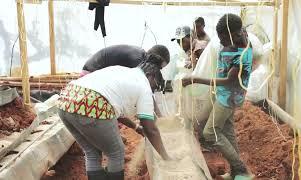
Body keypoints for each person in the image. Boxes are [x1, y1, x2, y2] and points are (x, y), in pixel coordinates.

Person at [57, 58, 171, 180]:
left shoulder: (122, 71)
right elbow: (151, 130)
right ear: (151, 76)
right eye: (154, 86)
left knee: (92, 152)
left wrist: (136, 127)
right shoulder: (144, 85)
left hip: (66, 99)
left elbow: (116, 109)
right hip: (91, 102)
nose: (152, 90)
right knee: (116, 152)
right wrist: (166, 157)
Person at [182, 13, 252, 178]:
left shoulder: (241, 55)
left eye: (224, 38)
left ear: (234, 34)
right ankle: (236, 173)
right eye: (219, 37)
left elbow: (228, 81)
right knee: (227, 131)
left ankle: (241, 169)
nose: (220, 41)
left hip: (228, 98)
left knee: (210, 132)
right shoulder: (236, 38)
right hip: (224, 95)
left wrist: (195, 79)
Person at [81, 44, 170, 76]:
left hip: (92, 71)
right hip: (90, 74)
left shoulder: (140, 54)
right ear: (156, 58)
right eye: (159, 67)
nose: (158, 70)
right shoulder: (137, 60)